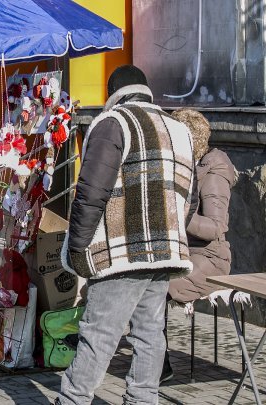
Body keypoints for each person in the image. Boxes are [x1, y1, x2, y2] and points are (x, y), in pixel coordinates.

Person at [56, 65, 196, 405]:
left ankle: (73, 400)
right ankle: (143, 400)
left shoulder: (113, 124)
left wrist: (77, 247)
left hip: (120, 254)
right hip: (165, 252)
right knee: (151, 336)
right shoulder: (179, 129)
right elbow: (186, 197)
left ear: (112, 93)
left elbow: (91, 192)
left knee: (99, 334)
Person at [161, 109, 236, 381]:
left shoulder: (213, 170)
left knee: (156, 290)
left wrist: (177, 213)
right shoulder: (181, 166)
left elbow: (215, 227)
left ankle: (159, 366)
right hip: (180, 252)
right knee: (143, 283)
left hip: (209, 259)